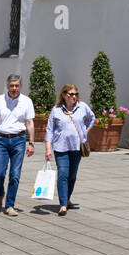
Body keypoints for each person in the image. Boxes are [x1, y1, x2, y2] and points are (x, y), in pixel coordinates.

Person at [0, 74, 35, 216]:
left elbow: (30, 123)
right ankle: (0, 194)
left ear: (20, 86)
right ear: (7, 86)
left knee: (15, 174)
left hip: (19, 140)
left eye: (17, 86)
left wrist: (31, 143)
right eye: (12, 85)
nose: (14, 88)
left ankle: (9, 205)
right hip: (1, 140)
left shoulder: (26, 101)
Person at [44, 83, 95, 214]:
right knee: (63, 175)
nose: (74, 97)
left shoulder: (82, 107)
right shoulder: (56, 110)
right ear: (64, 95)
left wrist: (86, 131)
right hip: (60, 147)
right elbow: (49, 130)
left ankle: (67, 199)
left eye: (76, 94)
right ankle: (62, 204)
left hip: (77, 147)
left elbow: (92, 118)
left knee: (72, 176)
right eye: (71, 94)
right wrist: (48, 148)